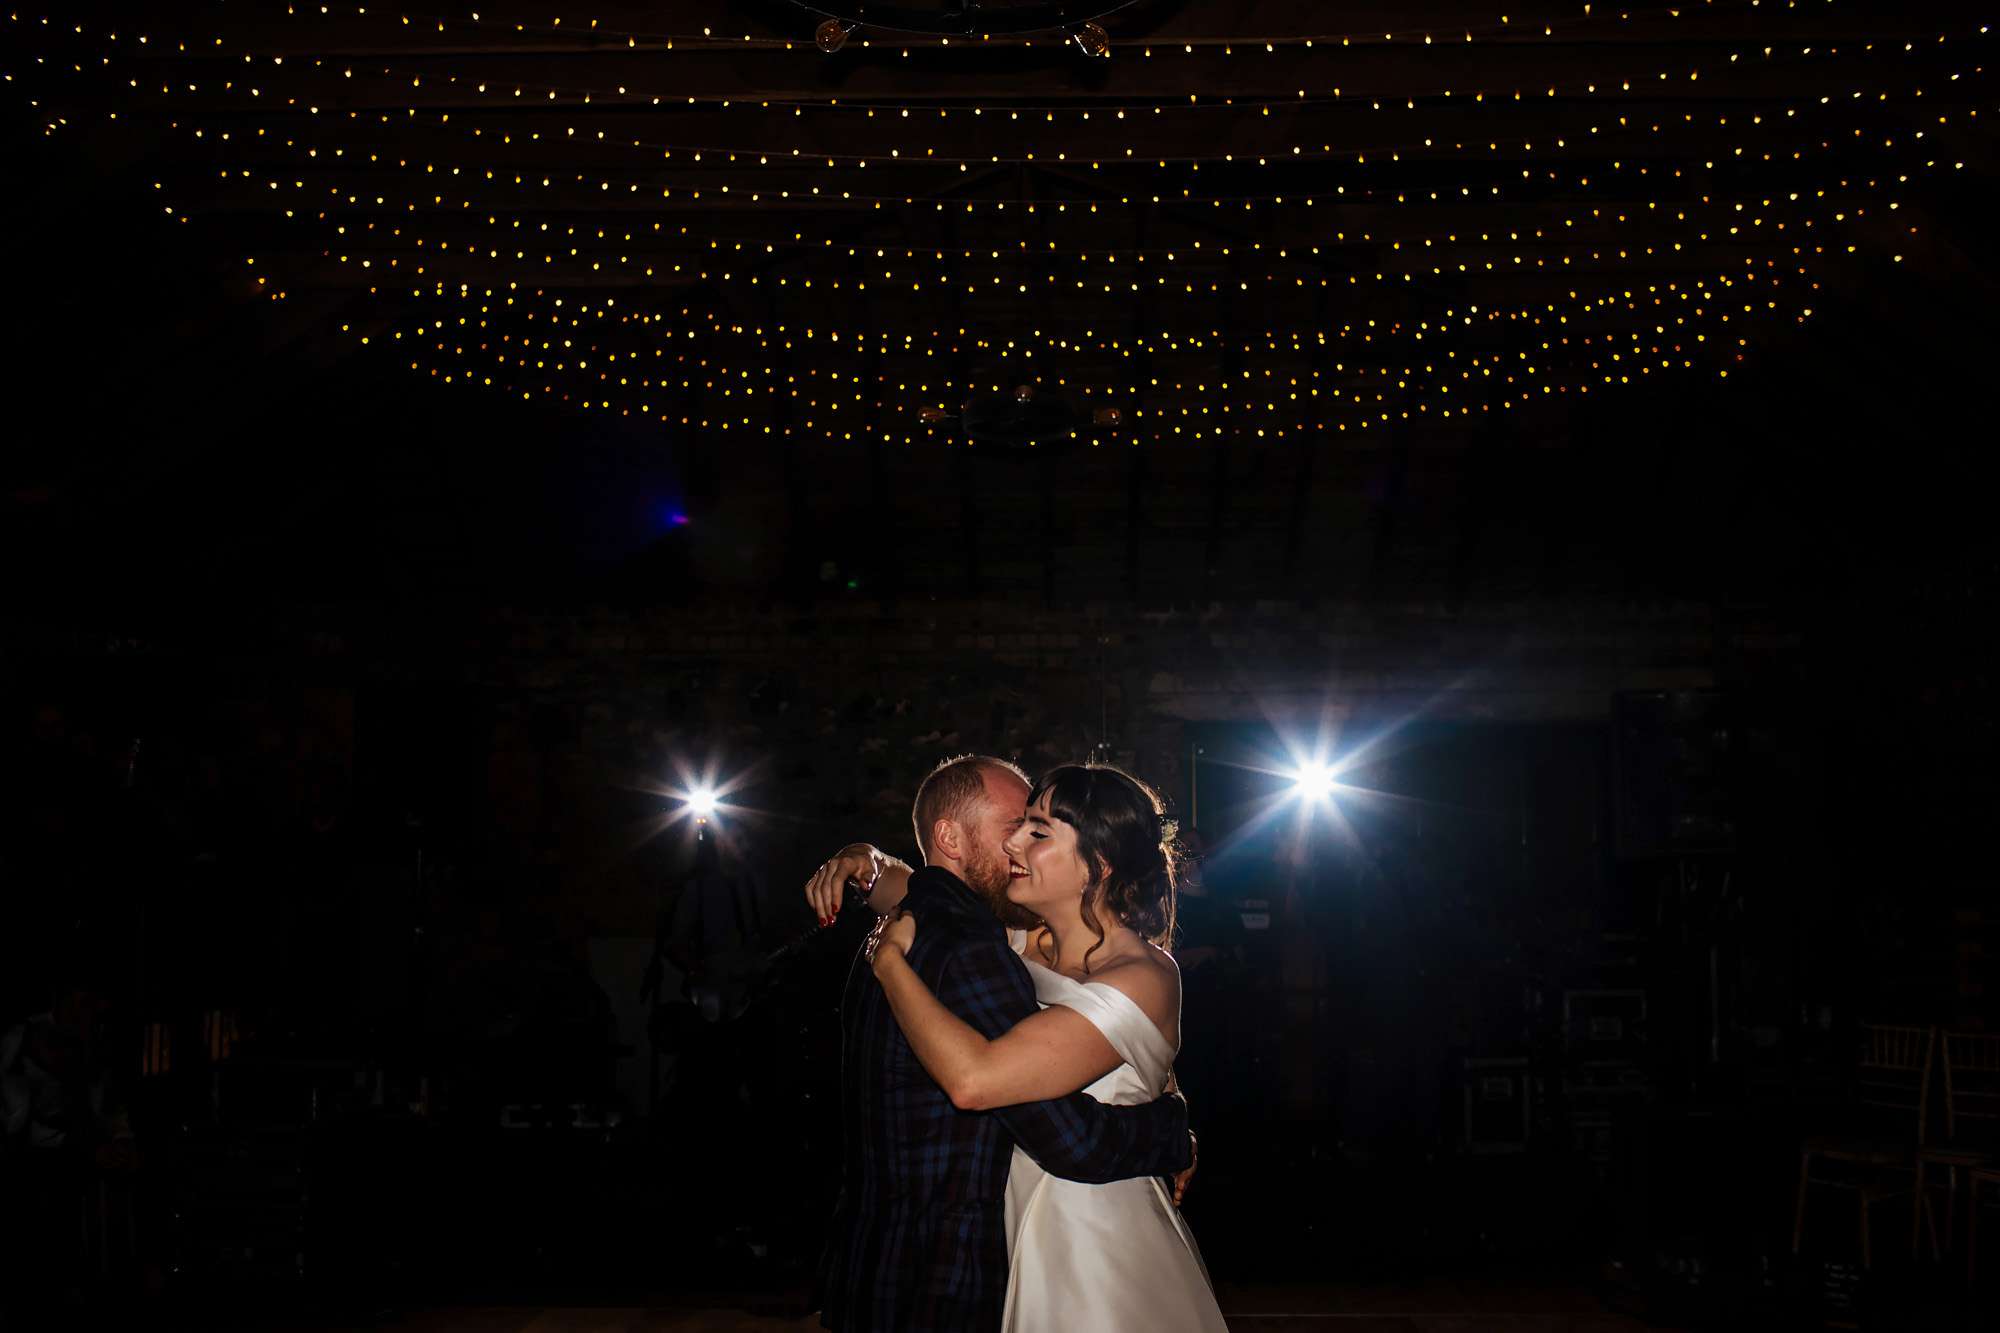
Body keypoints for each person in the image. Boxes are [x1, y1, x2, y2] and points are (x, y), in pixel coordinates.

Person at [805, 761, 1228, 1332]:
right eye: (1018, 824)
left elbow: (977, 1080)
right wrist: (869, 858)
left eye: (1037, 831)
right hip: (1007, 1232)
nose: (1013, 843)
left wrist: (891, 967)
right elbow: (936, 889)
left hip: (1095, 1238)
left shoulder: (1140, 974)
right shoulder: (1019, 939)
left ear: (1097, 863)